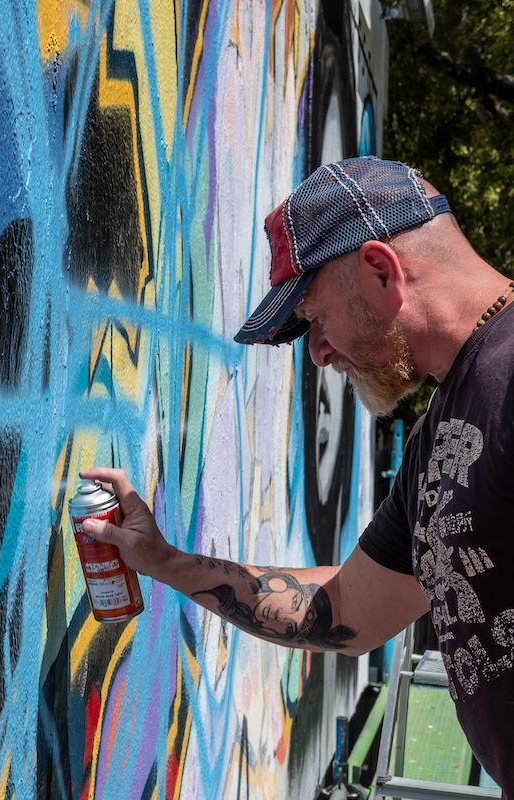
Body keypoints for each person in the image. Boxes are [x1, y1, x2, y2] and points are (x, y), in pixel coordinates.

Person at [81, 156, 513, 793]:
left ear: (378, 270)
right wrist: (162, 560)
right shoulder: (440, 437)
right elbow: (343, 608)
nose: (318, 351)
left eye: (314, 319)